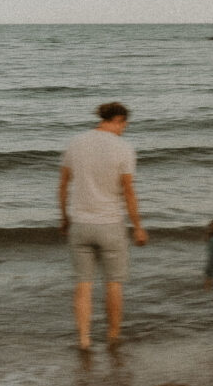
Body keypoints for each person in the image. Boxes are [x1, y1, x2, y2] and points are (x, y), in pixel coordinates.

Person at [58, 102, 147, 349]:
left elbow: (63, 185)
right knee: (113, 284)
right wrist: (138, 226)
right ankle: (113, 336)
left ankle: (85, 340)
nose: (124, 130)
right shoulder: (123, 148)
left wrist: (64, 217)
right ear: (118, 120)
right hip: (111, 225)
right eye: (124, 126)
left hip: (80, 224)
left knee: (83, 285)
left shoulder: (75, 142)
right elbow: (128, 190)